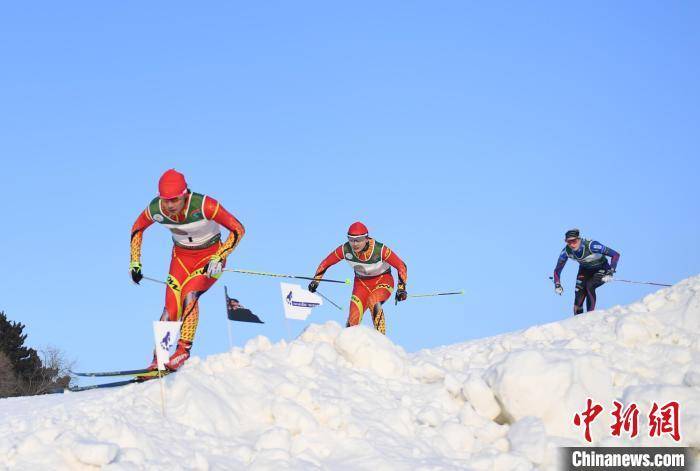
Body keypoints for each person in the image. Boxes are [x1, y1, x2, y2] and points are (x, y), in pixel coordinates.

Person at [130, 169, 245, 370]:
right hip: (181, 259)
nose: (169, 206)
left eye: (174, 200)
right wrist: (135, 263)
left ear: (184, 195)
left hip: (211, 259)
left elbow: (238, 229)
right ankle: (159, 357)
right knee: (171, 307)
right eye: (165, 200)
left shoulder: (205, 205)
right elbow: (137, 228)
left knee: (189, 293)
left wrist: (221, 256)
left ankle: (183, 350)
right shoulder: (156, 209)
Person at [308, 222, 407, 334]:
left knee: (373, 301)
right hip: (361, 285)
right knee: (353, 319)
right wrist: (316, 281)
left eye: (358, 239)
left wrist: (401, 288)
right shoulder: (345, 249)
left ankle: (381, 339)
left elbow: (401, 265)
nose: (355, 244)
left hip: (383, 280)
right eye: (351, 239)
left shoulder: (379, 249)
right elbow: (326, 263)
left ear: (366, 238)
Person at [553, 228, 620, 316]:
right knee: (578, 299)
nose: (572, 244)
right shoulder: (566, 251)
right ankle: (577, 323)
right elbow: (557, 270)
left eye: (574, 241)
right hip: (585, 270)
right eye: (568, 242)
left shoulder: (591, 245)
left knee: (589, 285)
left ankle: (590, 316)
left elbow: (615, 254)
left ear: (579, 239)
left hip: (602, 268)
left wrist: (611, 271)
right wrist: (557, 284)